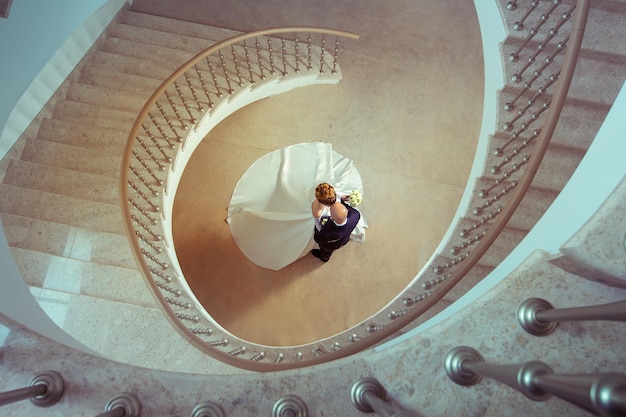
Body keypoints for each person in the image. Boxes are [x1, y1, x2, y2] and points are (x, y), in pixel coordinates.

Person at [310, 182, 361, 262]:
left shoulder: (327, 233)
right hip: (345, 236)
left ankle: (324, 258)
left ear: (332, 218)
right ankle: (344, 242)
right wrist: (342, 197)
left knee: (326, 251)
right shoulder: (356, 215)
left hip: (331, 244)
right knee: (344, 239)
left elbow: (318, 238)